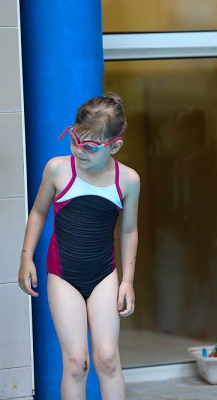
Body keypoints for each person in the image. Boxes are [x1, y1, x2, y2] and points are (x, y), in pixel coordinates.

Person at [18, 94, 140, 399]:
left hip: (104, 276)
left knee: (108, 359)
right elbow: (38, 212)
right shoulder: (58, 169)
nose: (79, 150)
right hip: (63, 276)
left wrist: (127, 280)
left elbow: (129, 230)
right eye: (75, 140)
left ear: (115, 146)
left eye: (90, 147)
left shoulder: (127, 180)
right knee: (76, 363)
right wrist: (26, 257)